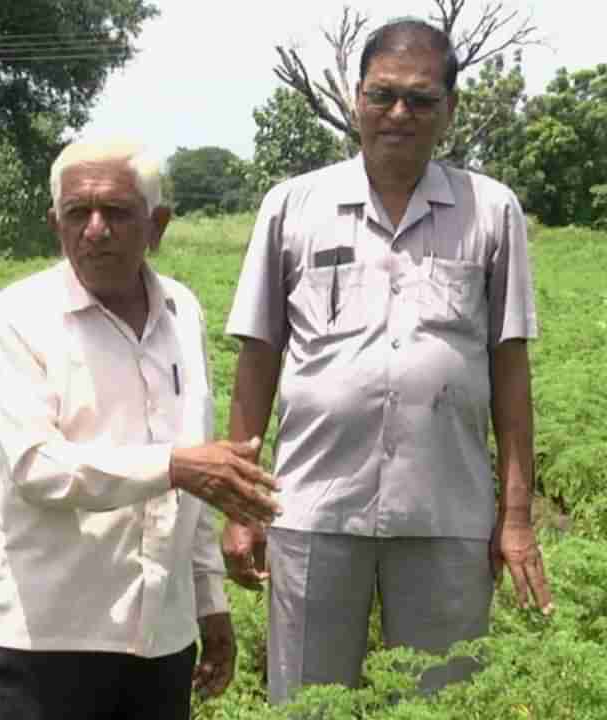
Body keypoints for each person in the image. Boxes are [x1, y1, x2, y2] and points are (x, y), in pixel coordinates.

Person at [221, 17, 552, 705]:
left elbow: (510, 371)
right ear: (356, 98)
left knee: (438, 703)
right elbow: (257, 358)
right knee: (307, 705)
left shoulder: (492, 211)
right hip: (312, 505)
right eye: (383, 94)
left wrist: (515, 515)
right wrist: (241, 505)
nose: (399, 113)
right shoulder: (293, 206)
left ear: (450, 110)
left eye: (421, 99)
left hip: (447, 511)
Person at [0, 139, 281, 720]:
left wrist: (209, 601)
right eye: (77, 213)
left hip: (163, 637)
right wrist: (174, 465)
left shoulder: (182, 312)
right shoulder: (15, 318)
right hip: (54, 636)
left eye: (117, 212)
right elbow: (37, 468)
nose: (96, 230)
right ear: (54, 224)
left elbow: (201, 476)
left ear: (157, 224)